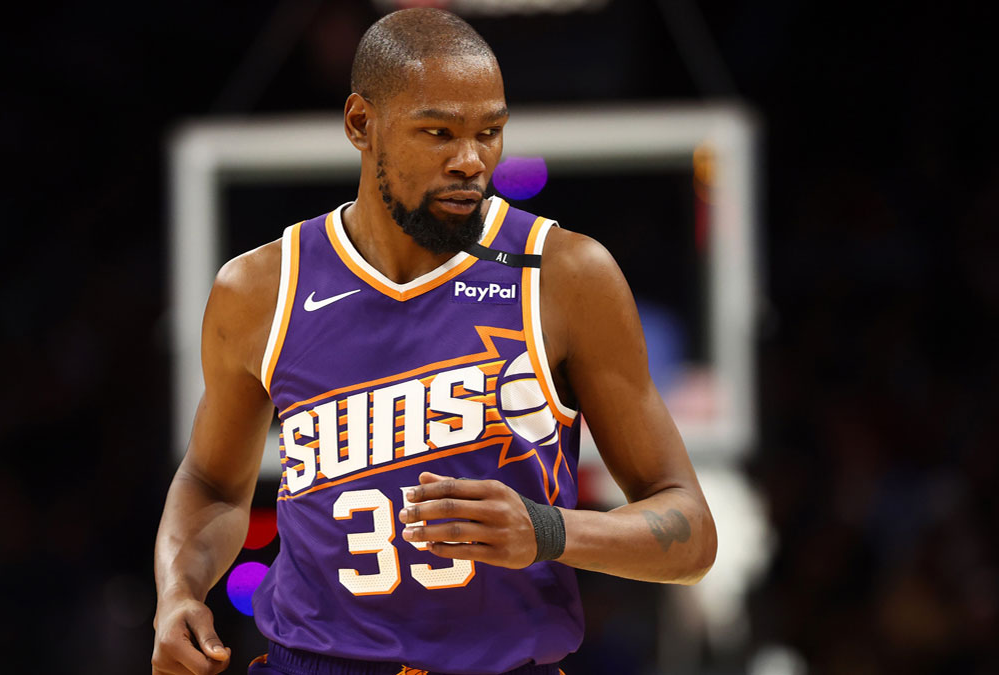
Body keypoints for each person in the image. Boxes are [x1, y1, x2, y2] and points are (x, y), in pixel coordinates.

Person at [152, 8, 716, 675]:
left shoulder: (565, 276)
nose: (471, 160)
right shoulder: (258, 289)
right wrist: (178, 592)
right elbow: (213, 483)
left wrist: (548, 530)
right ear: (361, 124)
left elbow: (691, 534)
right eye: (439, 132)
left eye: (490, 132)